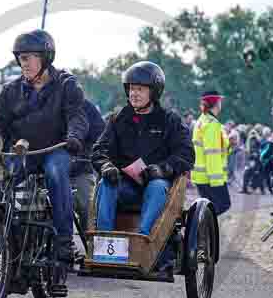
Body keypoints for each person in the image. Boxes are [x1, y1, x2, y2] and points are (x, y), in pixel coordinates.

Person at [0, 30, 88, 296]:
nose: (24, 63)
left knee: (55, 171)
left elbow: (77, 116)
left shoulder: (67, 85)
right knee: (5, 179)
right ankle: (0, 243)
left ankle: (64, 241)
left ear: (46, 58)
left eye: (29, 57)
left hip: (56, 149)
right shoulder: (11, 91)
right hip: (23, 152)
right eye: (20, 58)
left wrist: (74, 136)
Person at [91, 61, 195, 274]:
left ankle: (143, 244)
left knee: (156, 186)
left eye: (140, 89)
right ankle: (104, 244)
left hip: (157, 188)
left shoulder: (170, 120)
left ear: (154, 92)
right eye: (130, 88)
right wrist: (107, 166)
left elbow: (186, 155)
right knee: (106, 182)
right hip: (126, 188)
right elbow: (99, 150)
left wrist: (162, 169)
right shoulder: (118, 119)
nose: (133, 93)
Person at [192, 91, 231, 216]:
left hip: (202, 177)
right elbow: (212, 154)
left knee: (209, 209)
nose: (221, 105)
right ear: (216, 104)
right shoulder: (212, 124)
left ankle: (202, 231)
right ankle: (199, 229)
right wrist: (217, 181)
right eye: (220, 102)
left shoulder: (202, 120)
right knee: (222, 205)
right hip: (211, 178)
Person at [71, 97, 106, 236]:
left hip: (79, 169)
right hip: (47, 171)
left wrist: (84, 151)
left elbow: (101, 135)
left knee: (87, 207)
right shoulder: (41, 105)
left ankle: (90, 246)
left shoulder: (85, 106)